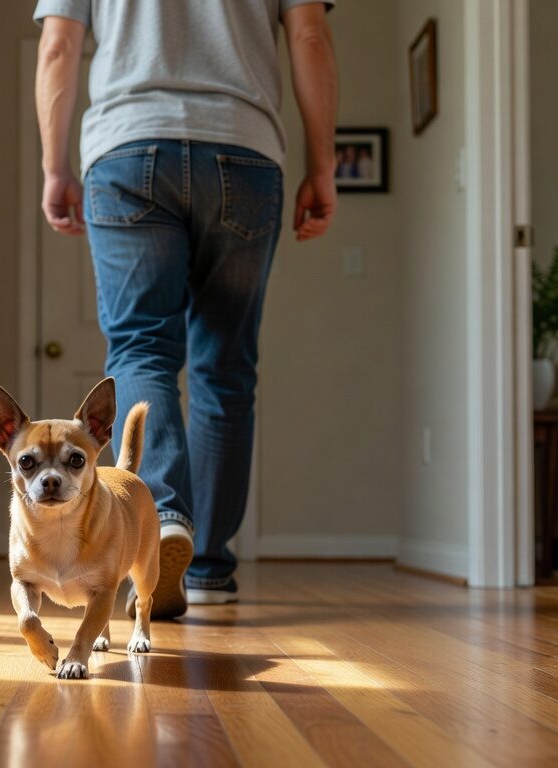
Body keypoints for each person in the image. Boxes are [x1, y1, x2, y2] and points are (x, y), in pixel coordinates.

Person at [34, 0, 339, 618]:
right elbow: (308, 33)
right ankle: (208, 566)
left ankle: (163, 518)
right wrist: (324, 165)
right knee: (226, 366)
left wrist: (54, 167)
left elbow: (59, 47)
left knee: (141, 347)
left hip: (126, 148)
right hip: (244, 151)